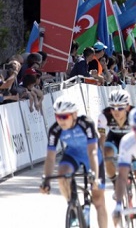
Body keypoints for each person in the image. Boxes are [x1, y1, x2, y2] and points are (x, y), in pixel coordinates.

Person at [40, 96, 108, 228]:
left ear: (74, 114)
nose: (61, 121)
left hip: (92, 155)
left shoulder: (86, 123)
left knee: (98, 200)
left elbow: (92, 152)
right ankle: (72, 206)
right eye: (58, 117)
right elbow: (50, 157)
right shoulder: (55, 130)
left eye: (64, 117)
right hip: (73, 154)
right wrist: (46, 180)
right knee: (62, 174)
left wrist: (94, 175)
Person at [97, 89, 134, 187]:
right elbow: (102, 137)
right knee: (106, 155)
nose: (116, 112)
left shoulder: (135, 114)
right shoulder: (104, 115)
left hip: (132, 139)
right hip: (114, 138)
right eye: (113, 108)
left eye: (120, 108)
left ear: (127, 107)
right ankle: (115, 183)